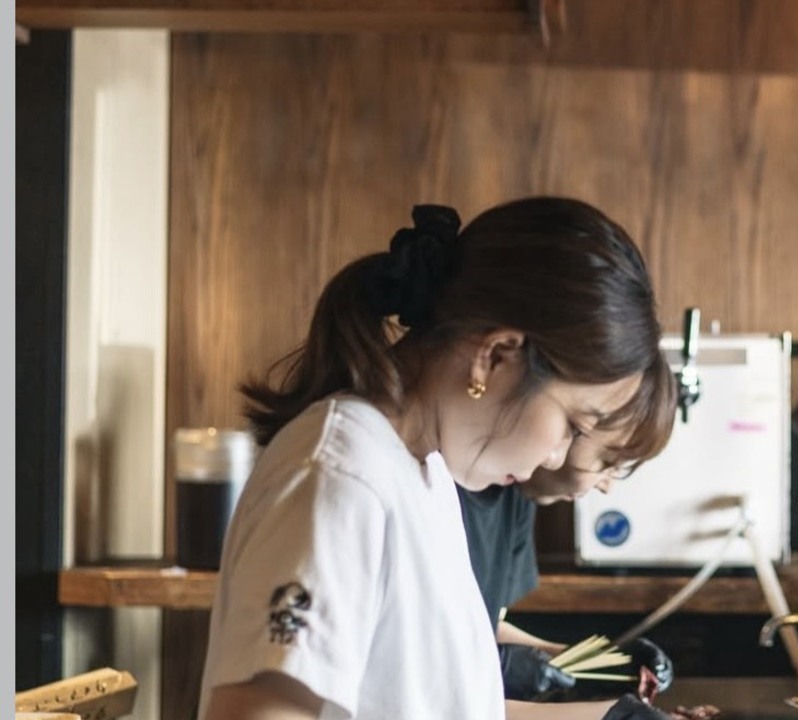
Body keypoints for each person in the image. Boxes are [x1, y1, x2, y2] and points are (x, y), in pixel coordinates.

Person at [198, 198, 679, 720]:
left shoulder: (427, 477)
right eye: (574, 425)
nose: (554, 457)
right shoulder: (341, 477)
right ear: (494, 356)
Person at [459, 355, 678, 702]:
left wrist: (602, 663)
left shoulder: (516, 494)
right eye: (607, 463)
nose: (607, 487)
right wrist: (488, 666)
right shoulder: (444, 489)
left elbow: (481, 623)